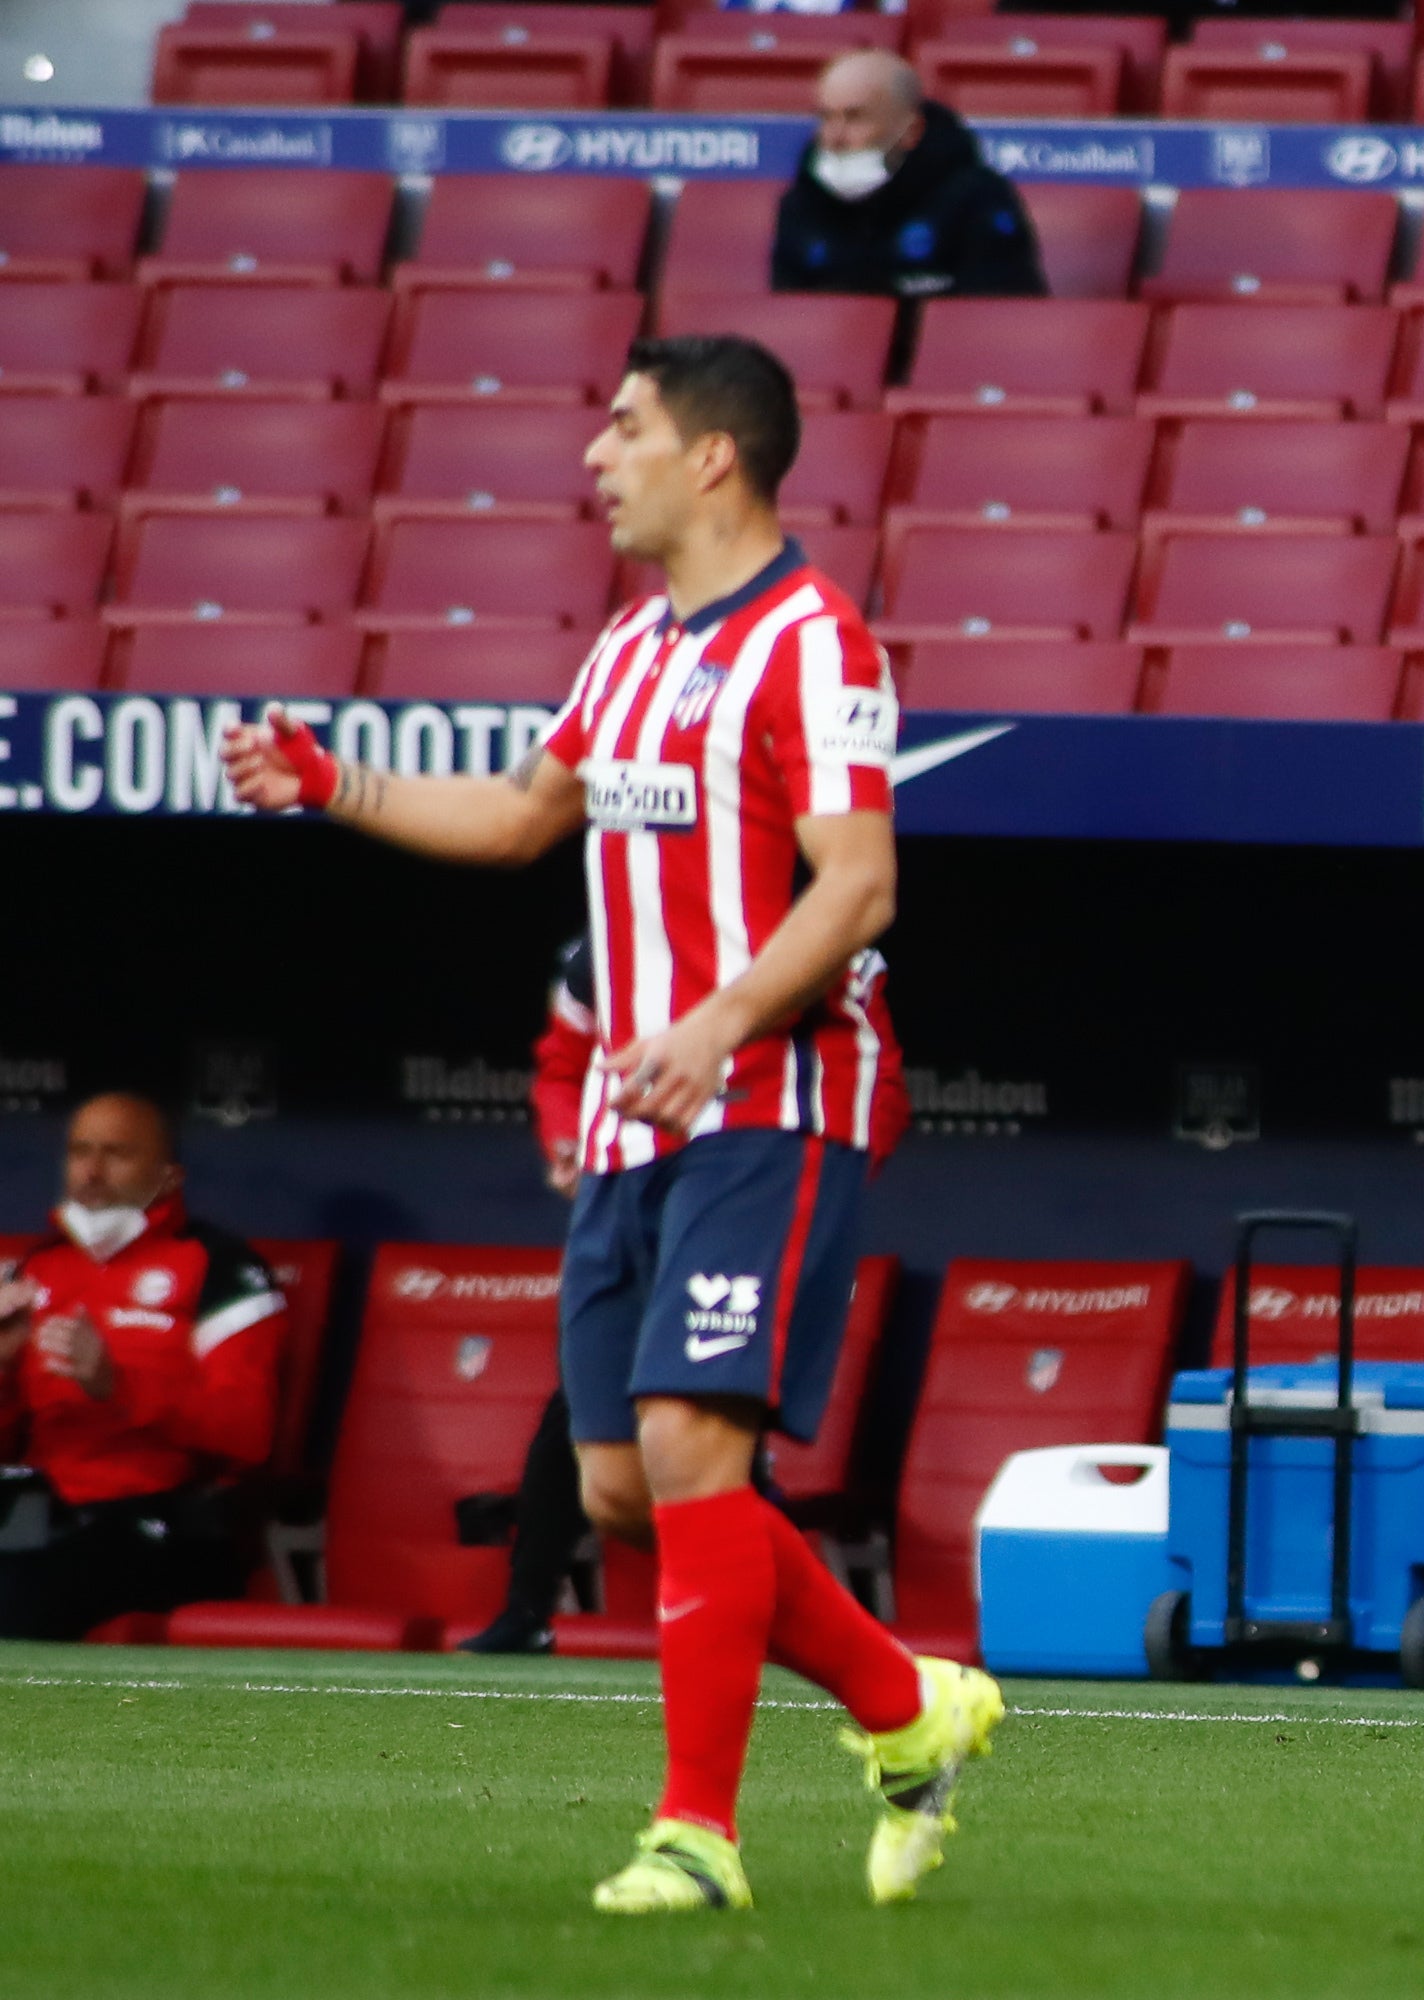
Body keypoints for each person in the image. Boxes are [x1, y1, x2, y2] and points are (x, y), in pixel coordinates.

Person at [221, 333, 997, 1918]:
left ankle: (696, 1838)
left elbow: (861, 883)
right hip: (650, 1118)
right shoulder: (635, 646)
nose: (595, 451)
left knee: (694, 1448)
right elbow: (520, 815)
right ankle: (910, 1703)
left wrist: (718, 1024)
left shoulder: (817, 642)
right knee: (630, 1488)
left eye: (627, 426)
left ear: (715, 456)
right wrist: (327, 783)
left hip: (772, 1098)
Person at [462, 938, 910, 1658]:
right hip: (631, 1191)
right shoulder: (605, 942)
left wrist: (828, 1184)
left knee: (699, 1436)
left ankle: (824, 1658)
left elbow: (875, 1079)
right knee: (611, 1474)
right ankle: (531, 1609)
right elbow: (564, 1061)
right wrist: (565, 1138)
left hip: (749, 1190)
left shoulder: (809, 928)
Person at [0, 1094, 287, 1641]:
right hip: (37, 1513)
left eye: (116, 1153)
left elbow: (249, 1433)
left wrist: (120, 1387)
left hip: (166, 1522)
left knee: (21, 1592)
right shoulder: (42, 1266)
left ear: (170, 1174)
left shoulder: (219, 1267)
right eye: (80, 1151)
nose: (91, 1170)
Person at [773, 50, 1046, 301]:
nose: (835, 137)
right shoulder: (801, 203)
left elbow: (1000, 320)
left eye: (855, 118)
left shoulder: (978, 201)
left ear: (911, 131)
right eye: (826, 117)